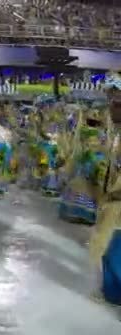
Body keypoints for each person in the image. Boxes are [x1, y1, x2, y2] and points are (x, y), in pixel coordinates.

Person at [89, 72, 121, 306]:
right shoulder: (116, 134)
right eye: (110, 102)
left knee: (112, 248)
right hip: (113, 199)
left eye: (117, 104)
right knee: (109, 248)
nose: (111, 108)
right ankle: (113, 292)